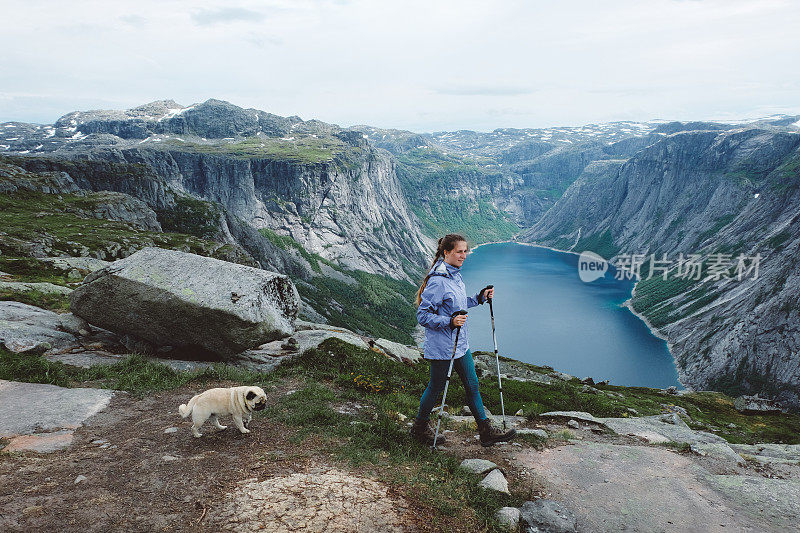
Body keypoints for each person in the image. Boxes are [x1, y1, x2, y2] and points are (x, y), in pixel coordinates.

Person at [411, 233, 517, 447]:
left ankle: (486, 431)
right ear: (446, 252)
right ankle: (419, 427)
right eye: (459, 251)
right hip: (443, 347)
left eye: (465, 251)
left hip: (460, 344)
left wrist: (479, 298)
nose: (464, 255)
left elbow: (457, 304)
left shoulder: (455, 275)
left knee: (472, 385)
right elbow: (422, 316)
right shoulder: (438, 280)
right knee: (435, 387)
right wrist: (449, 322)